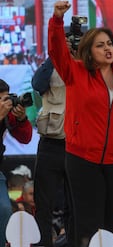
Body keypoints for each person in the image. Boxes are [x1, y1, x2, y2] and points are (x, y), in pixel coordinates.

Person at [48, 0, 113, 247]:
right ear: (88, 51)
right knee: (87, 223)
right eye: (100, 45)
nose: (107, 49)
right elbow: (56, 50)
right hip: (82, 160)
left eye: (109, 44)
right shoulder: (75, 72)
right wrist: (57, 21)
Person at [32, 49, 72, 247]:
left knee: (75, 204)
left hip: (78, 145)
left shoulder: (87, 62)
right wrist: (56, 56)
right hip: (51, 141)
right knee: (44, 204)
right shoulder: (51, 64)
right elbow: (37, 84)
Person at [0, 78, 32, 247]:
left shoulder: (6, 114)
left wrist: (21, 119)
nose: (6, 103)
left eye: (7, 98)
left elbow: (25, 138)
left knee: (4, 210)